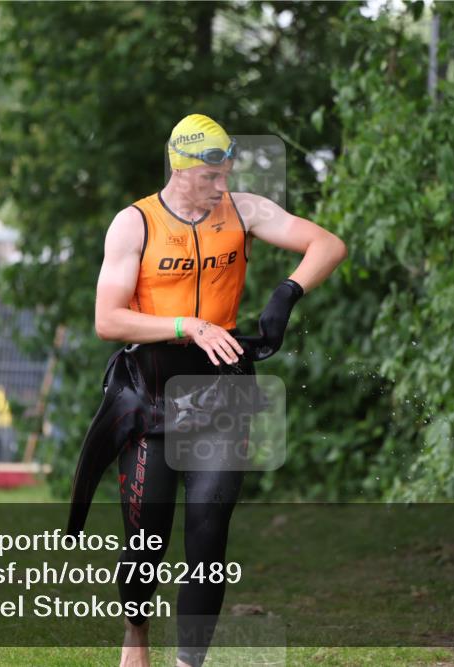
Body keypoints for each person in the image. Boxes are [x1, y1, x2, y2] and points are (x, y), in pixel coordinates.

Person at [69, 114, 347, 667]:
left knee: (208, 530)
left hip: (223, 390)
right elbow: (108, 319)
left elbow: (328, 245)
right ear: (181, 166)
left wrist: (286, 293)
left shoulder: (244, 210)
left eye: (227, 174)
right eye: (211, 177)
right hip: (149, 395)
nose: (222, 187)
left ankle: (188, 662)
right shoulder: (135, 224)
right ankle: (137, 633)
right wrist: (187, 325)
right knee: (146, 537)